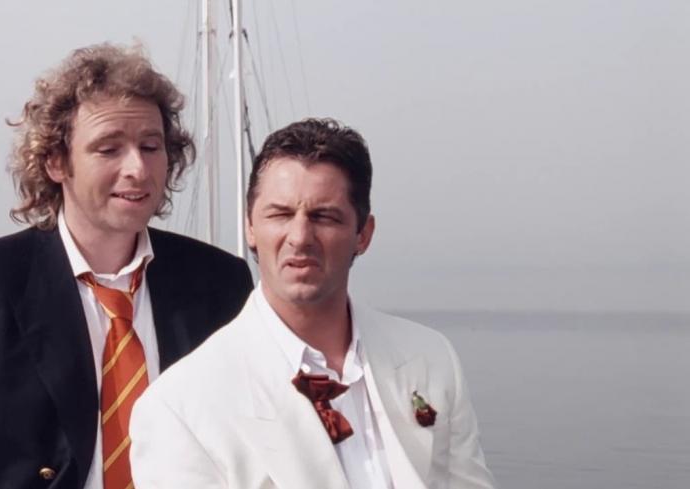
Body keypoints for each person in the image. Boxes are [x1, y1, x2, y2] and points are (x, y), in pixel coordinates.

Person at [0, 43, 253, 489]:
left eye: (151, 146)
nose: (137, 168)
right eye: (109, 149)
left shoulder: (220, 282)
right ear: (56, 161)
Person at [129, 118, 495, 489]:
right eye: (280, 214)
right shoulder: (181, 407)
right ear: (250, 227)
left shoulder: (430, 357)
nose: (300, 237)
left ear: (363, 234)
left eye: (324, 217)